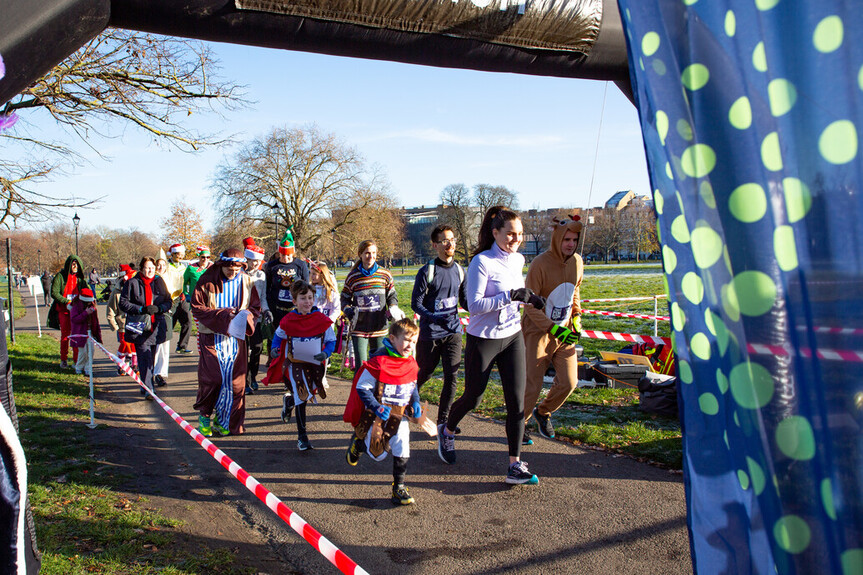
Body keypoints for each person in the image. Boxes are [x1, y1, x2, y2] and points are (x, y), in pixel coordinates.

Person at [436, 206, 545, 485]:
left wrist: (529, 298)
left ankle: (515, 465)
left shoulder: (518, 259)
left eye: (519, 234)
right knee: (474, 396)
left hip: (512, 336)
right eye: (510, 234)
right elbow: (475, 306)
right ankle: (447, 431)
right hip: (483, 338)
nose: (515, 239)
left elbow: (515, 295)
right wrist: (510, 295)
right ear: (495, 233)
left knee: (516, 401)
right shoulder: (481, 262)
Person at [343, 318, 422, 505]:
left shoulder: (410, 362)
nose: (410, 345)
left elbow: (412, 383)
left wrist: (416, 401)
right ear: (393, 338)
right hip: (377, 414)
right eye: (406, 340)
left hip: (399, 415)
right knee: (377, 455)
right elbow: (362, 388)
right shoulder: (378, 362)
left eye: (414, 341)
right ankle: (359, 444)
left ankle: (399, 487)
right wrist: (376, 406)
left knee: (402, 447)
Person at [522, 215, 585, 440]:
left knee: (569, 382)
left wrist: (576, 317)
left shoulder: (577, 261)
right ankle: (519, 426)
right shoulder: (540, 264)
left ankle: (543, 411)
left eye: (574, 240)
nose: (571, 244)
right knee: (532, 386)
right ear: (557, 239)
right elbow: (529, 305)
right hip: (537, 334)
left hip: (565, 333)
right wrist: (552, 328)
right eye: (566, 239)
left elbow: (574, 291)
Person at [191, 249, 261, 436]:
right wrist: (222, 315)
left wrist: (245, 316)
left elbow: (255, 308)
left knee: (236, 384)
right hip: (212, 336)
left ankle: (226, 421)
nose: (233, 272)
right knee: (214, 379)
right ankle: (205, 415)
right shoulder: (206, 281)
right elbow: (197, 308)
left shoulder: (246, 281)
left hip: (236, 339)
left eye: (237, 268)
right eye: (229, 268)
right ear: (221, 266)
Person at [263, 280, 335, 450]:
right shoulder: (288, 320)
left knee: (307, 392)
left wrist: (326, 353)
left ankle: (289, 403)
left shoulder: (321, 319)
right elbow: (278, 336)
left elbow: (331, 340)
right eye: (303, 298)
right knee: (301, 394)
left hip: (315, 363)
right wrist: (274, 349)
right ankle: (302, 437)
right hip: (294, 364)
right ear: (294, 301)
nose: (307, 302)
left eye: (310, 297)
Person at [410, 224, 467, 430]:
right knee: (425, 372)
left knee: (452, 376)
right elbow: (416, 303)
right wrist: (434, 317)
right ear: (435, 245)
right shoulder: (428, 271)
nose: (449, 243)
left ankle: (444, 420)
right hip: (431, 334)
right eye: (444, 240)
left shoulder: (460, 271)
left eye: (452, 239)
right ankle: (407, 398)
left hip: (453, 332)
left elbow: (466, 301)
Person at [340, 240, 403, 367]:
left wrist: (393, 307)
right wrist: (347, 310)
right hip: (359, 327)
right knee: (361, 366)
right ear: (360, 254)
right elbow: (344, 297)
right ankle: (359, 387)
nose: (371, 256)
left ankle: (377, 387)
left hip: (379, 326)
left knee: (380, 365)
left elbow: (391, 295)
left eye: (373, 253)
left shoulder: (385, 274)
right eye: (367, 253)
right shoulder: (353, 276)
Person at [119, 257, 173, 398]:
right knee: (144, 357)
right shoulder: (132, 283)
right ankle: (149, 389)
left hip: (156, 326)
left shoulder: (159, 281)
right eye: (147, 268)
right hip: (139, 324)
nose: (150, 271)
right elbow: (123, 303)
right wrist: (141, 309)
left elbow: (169, 301)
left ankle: (145, 386)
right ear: (142, 269)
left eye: (152, 268)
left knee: (151, 358)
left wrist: (159, 308)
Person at [264, 228, 309, 353]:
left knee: (295, 337)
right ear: (279, 254)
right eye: (283, 255)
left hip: (294, 308)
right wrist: (269, 307)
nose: (286, 258)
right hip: (277, 308)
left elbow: (307, 286)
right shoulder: (272, 266)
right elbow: (267, 287)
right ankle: (275, 359)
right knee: (277, 336)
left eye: (288, 255)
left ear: (293, 254)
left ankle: (294, 359)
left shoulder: (300, 265)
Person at [47, 255, 87, 368]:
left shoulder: (80, 278)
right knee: (65, 335)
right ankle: (63, 359)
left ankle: (76, 361)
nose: (75, 267)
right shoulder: (60, 276)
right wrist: (66, 302)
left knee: (76, 336)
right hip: (64, 311)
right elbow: (54, 292)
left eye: (77, 265)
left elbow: (86, 290)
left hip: (77, 312)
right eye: (73, 265)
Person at [242, 238, 268, 394]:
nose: (255, 264)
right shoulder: (240, 274)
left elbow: (263, 296)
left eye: (258, 261)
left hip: (256, 317)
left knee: (257, 347)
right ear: (247, 259)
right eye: (253, 261)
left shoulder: (262, 276)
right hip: (241, 316)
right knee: (244, 350)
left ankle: (253, 376)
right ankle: (244, 381)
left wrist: (266, 311)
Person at [106, 264, 138, 375]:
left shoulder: (136, 289)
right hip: (122, 323)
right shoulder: (116, 292)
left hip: (135, 321)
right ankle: (121, 364)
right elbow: (110, 309)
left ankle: (135, 364)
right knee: (124, 343)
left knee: (134, 344)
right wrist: (113, 324)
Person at [152, 257, 178, 388]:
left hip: (166, 314)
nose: (160, 267)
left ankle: (161, 372)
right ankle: (152, 371)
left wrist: (170, 309)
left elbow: (175, 297)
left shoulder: (169, 279)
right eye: (158, 265)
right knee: (155, 346)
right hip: (153, 315)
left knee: (164, 346)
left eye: (163, 265)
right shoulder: (152, 280)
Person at [69, 287, 103, 376]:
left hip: (90, 332)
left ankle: (88, 367)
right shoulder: (75, 306)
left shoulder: (92, 306)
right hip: (80, 332)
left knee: (91, 350)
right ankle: (79, 367)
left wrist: (97, 333)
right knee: (82, 351)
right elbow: (74, 319)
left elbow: (96, 320)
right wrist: (85, 313)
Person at [167, 243, 193, 354]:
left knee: (187, 321)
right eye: (178, 254)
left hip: (182, 297)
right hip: (171, 298)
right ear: (172, 254)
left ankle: (182, 346)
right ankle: (162, 346)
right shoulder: (167, 266)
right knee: (169, 323)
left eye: (182, 254)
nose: (181, 257)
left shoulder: (183, 267)